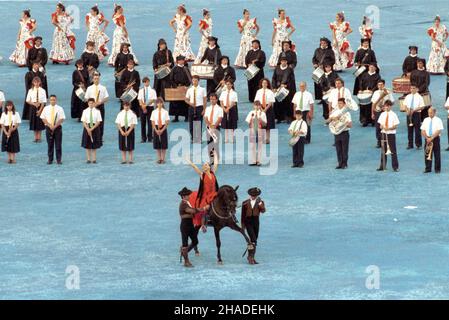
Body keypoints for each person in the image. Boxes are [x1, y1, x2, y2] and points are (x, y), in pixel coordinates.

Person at [186, 152, 219, 240]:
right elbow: (195, 167)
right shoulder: (202, 175)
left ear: (209, 166)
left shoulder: (213, 173)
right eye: (204, 165)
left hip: (214, 194)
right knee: (207, 207)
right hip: (206, 196)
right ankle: (204, 225)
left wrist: (215, 155)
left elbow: (216, 163)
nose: (206, 165)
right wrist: (189, 161)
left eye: (207, 164)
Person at [178, 187, 207, 268]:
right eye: (188, 195)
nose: (189, 196)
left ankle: (184, 252)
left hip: (190, 225)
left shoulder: (187, 203)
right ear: (184, 196)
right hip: (185, 225)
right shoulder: (183, 204)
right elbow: (192, 211)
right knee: (185, 243)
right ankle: (186, 261)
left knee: (195, 241)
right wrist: (203, 208)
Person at [241, 187, 266, 265]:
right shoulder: (245, 203)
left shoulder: (260, 202)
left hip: (256, 221)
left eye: (255, 195)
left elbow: (263, 211)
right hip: (248, 221)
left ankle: (251, 257)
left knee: (253, 241)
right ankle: (251, 257)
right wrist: (242, 226)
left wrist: (261, 206)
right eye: (252, 195)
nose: (253, 196)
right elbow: (243, 215)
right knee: (253, 240)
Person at [40, 95, 65, 165]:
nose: (52, 101)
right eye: (51, 100)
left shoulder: (60, 108)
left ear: (56, 100)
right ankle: (50, 159)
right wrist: (49, 125)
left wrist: (55, 126)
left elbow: (62, 118)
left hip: (57, 128)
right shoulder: (46, 108)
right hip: (49, 128)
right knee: (50, 144)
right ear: (49, 100)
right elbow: (43, 118)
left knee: (58, 144)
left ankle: (59, 159)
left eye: (54, 100)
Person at [328, 98, 352, 169]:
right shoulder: (334, 112)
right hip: (336, 133)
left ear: (344, 104)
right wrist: (332, 119)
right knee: (338, 149)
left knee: (344, 149)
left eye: (341, 103)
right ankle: (340, 163)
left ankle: (344, 164)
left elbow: (350, 125)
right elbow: (328, 121)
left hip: (344, 133)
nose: (339, 105)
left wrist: (343, 123)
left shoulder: (347, 113)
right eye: (338, 103)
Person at [272, 53, 296, 123]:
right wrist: (274, 87)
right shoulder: (277, 68)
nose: (284, 62)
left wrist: (286, 86)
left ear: (286, 62)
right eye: (282, 61)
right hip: (278, 89)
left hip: (287, 90)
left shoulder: (290, 69)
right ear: (280, 61)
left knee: (287, 104)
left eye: (285, 61)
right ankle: (279, 117)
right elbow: (274, 78)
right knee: (278, 103)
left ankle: (288, 117)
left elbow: (292, 80)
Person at [84, 73, 109, 140]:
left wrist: (100, 102)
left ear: (99, 79)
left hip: (100, 107)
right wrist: (91, 103)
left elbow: (106, 98)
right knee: (91, 121)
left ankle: (100, 137)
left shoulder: (103, 88)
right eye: (95, 79)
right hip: (91, 107)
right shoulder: (89, 88)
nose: (96, 80)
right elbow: (86, 98)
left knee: (100, 122)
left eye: (97, 78)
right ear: (92, 79)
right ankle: (91, 134)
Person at [377, 100, 399, 172]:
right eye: (385, 106)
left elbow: (395, 126)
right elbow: (380, 125)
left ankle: (395, 167)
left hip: (391, 134)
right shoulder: (382, 114)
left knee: (393, 150)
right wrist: (382, 127)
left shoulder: (394, 115)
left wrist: (388, 128)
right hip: (383, 133)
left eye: (387, 106)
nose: (386, 107)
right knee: (383, 150)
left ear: (390, 106)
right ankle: (382, 166)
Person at [371, 79, 395, 148]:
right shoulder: (375, 93)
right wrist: (372, 113)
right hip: (378, 111)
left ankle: (387, 141)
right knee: (378, 127)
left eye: (381, 85)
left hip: (385, 111)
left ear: (384, 85)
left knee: (386, 125)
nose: (380, 86)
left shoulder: (388, 92)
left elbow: (392, 102)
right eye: (379, 85)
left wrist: (386, 104)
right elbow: (373, 103)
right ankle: (379, 141)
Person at [169, 55, 191, 122]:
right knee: (176, 103)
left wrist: (186, 86)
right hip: (176, 88)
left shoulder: (186, 69)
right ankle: (176, 117)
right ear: (178, 61)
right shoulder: (174, 69)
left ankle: (186, 117)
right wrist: (176, 86)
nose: (182, 61)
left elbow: (190, 79)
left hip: (184, 88)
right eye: (180, 60)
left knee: (185, 103)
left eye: (183, 60)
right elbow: (171, 79)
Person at [421, 107, 443, 173]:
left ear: (434, 113)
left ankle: (437, 169)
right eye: (428, 113)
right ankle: (428, 168)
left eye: (431, 113)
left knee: (437, 154)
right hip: (427, 138)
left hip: (435, 139)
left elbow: (439, 130)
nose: (429, 114)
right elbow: (422, 130)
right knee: (427, 154)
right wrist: (427, 138)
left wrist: (432, 138)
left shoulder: (438, 120)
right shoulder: (425, 120)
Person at [185, 75, 207, 143]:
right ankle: (192, 138)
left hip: (199, 107)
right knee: (191, 123)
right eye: (193, 80)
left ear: (198, 81)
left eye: (196, 80)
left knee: (198, 123)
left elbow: (204, 100)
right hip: (191, 107)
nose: (194, 82)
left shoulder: (202, 89)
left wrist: (204, 109)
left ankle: (198, 138)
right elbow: (186, 99)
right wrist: (190, 103)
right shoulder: (189, 89)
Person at [358, 62, 381, 126]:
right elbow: (361, 83)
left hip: (372, 94)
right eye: (370, 67)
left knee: (372, 107)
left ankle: (372, 120)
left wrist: (372, 91)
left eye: (373, 67)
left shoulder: (377, 76)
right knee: (363, 107)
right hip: (364, 93)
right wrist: (361, 90)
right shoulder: (364, 75)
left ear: (375, 68)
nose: (371, 68)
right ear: (368, 68)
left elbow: (377, 85)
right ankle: (364, 120)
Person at [81, 98, 102, 163]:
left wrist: (92, 128)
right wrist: (88, 129)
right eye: (89, 103)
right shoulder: (85, 111)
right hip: (87, 127)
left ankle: (94, 158)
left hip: (95, 127)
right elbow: (84, 121)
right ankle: (88, 159)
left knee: (94, 143)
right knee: (87, 144)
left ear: (94, 103)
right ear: (88, 103)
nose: (91, 104)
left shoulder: (97, 111)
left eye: (92, 103)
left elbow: (98, 121)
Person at [26, 77, 47, 143]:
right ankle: (35, 137)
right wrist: (34, 104)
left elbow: (44, 101)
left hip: (40, 106)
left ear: (40, 83)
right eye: (35, 82)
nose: (36, 84)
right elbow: (28, 100)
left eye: (38, 82)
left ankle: (39, 137)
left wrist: (40, 110)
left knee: (39, 122)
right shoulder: (30, 90)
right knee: (34, 122)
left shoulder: (43, 90)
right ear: (33, 83)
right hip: (33, 106)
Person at [255, 78, 275, 143]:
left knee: (268, 124)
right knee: (261, 124)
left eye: (266, 83)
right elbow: (257, 101)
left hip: (268, 108)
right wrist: (261, 108)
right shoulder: (258, 91)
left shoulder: (270, 92)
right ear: (261, 84)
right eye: (263, 83)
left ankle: (267, 139)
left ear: (267, 84)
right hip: (260, 108)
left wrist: (265, 109)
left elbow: (271, 102)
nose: (264, 84)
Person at [204, 94, 223, 164]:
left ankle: (216, 159)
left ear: (216, 100)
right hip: (209, 128)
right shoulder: (207, 108)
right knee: (209, 144)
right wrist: (209, 125)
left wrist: (214, 126)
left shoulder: (220, 109)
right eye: (211, 99)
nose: (212, 101)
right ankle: (211, 159)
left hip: (216, 128)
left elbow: (220, 118)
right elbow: (205, 118)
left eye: (213, 99)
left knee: (215, 144)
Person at [246, 101, 267, 166]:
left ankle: (259, 161)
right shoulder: (251, 113)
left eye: (258, 105)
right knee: (252, 146)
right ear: (253, 106)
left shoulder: (262, 113)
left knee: (260, 146)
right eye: (255, 105)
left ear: (260, 106)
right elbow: (248, 122)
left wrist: (260, 120)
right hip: (253, 129)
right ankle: (253, 160)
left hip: (260, 129)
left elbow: (265, 124)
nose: (257, 107)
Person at [403, 85, 424, 150]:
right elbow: (405, 105)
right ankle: (410, 144)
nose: (412, 89)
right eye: (411, 88)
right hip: (409, 114)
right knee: (409, 129)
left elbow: (422, 106)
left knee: (417, 129)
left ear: (417, 89)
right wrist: (407, 110)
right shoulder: (408, 96)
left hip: (416, 114)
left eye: (413, 88)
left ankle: (418, 144)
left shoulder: (419, 97)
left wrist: (414, 110)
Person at [151, 98, 170, 164]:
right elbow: (153, 122)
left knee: (163, 144)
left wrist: (162, 129)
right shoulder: (153, 112)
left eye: (160, 103)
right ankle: (159, 158)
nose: (159, 104)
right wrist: (155, 130)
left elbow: (167, 122)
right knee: (157, 144)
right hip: (156, 128)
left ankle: (163, 158)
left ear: (162, 104)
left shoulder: (165, 112)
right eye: (158, 103)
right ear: (156, 104)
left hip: (163, 127)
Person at [138, 77, 157, 143]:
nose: (146, 83)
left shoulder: (152, 90)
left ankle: (150, 137)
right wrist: (143, 106)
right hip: (142, 107)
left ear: (149, 82)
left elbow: (153, 99)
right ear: (143, 83)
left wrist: (145, 105)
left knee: (150, 123)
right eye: (144, 82)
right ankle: (143, 138)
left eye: (147, 82)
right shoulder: (141, 90)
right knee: (142, 123)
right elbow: (140, 99)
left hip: (149, 107)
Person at [219, 79, 238, 143]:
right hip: (224, 108)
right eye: (227, 84)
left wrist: (228, 108)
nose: (228, 85)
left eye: (229, 84)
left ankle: (231, 138)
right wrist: (224, 109)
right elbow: (221, 101)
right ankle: (226, 138)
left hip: (231, 108)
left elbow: (234, 103)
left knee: (231, 123)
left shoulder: (234, 93)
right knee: (226, 123)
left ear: (232, 85)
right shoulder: (223, 92)